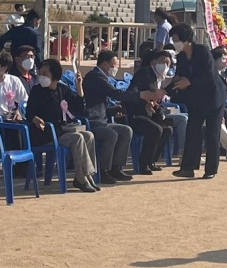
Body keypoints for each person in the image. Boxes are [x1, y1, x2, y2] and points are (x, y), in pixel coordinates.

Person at [83, 50, 164, 182]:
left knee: (126, 130)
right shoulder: (96, 77)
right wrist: (140, 95)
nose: (116, 68)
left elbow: (100, 104)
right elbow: (116, 94)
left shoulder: (101, 77)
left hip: (102, 120)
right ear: (104, 64)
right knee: (111, 134)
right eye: (114, 64)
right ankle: (103, 170)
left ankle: (116, 168)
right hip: (93, 121)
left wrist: (112, 111)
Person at [25, 58, 99, 193]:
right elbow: (29, 113)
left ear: (54, 75)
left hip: (62, 130)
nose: (41, 76)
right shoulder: (36, 91)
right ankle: (81, 178)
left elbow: (79, 108)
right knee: (77, 138)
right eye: (40, 73)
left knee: (88, 135)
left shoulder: (62, 89)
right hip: (46, 133)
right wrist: (35, 119)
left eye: (45, 73)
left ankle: (88, 175)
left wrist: (79, 86)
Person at [167, 24, 226, 179]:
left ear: (186, 39)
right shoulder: (181, 57)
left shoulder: (202, 51)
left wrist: (190, 81)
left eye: (176, 39)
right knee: (192, 132)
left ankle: (211, 170)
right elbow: (179, 77)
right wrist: (165, 91)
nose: (174, 43)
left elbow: (209, 75)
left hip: (214, 98)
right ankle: (188, 168)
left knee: (212, 134)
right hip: (196, 99)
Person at [127, 49, 176, 173]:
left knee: (167, 129)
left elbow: (157, 101)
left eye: (168, 63)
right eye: (162, 61)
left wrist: (159, 110)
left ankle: (151, 160)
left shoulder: (158, 79)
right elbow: (133, 92)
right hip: (136, 114)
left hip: (150, 115)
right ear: (154, 62)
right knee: (156, 129)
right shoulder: (145, 74)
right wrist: (146, 102)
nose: (165, 65)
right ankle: (142, 164)